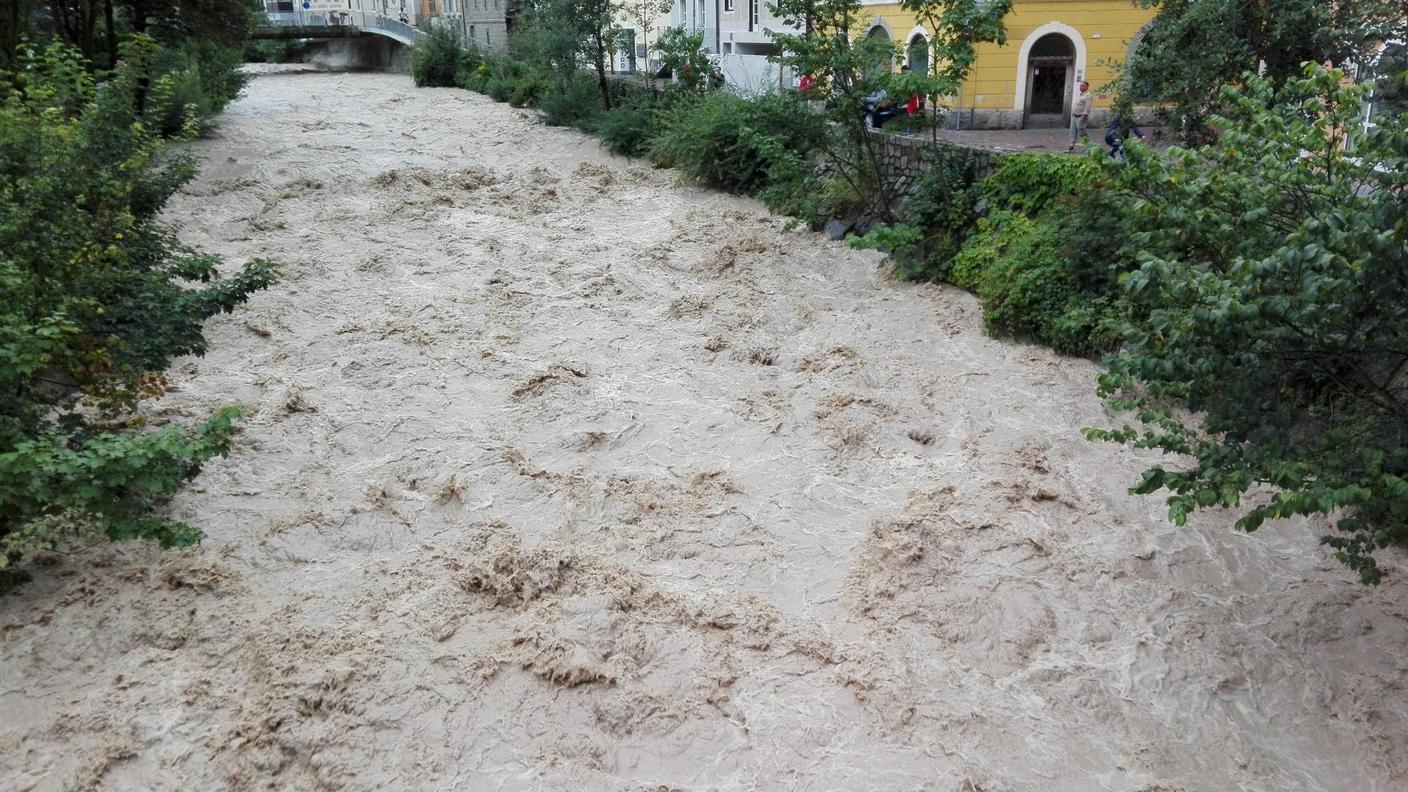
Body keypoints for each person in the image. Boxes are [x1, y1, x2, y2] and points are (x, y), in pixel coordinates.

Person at [1067, 80, 1092, 152]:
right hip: (1074, 116)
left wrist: (1083, 117)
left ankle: (1089, 146)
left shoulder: (1088, 96)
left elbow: (1087, 108)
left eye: (1082, 86)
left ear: (1087, 86)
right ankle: (1071, 146)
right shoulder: (1080, 94)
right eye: (1080, 85)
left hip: (1081, 117)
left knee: (1082, 133)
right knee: (1072, 131)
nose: (1080, 87)